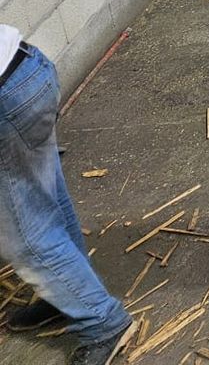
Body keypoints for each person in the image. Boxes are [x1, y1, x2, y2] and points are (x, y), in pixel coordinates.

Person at [0, 28, 130, 362]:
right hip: (28, 70)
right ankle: (68, 294)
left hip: (6, 102)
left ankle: (103, 322)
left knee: (27, 240)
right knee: (50, 199)